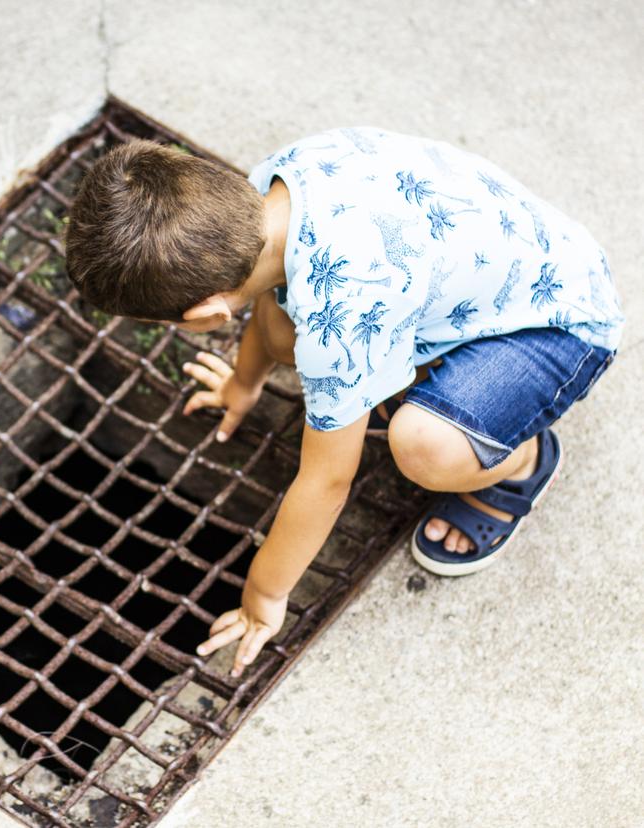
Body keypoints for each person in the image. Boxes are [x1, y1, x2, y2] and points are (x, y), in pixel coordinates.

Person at [63, 129, 624, 678]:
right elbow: (268, 302)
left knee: (422, 447)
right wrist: (244, 381)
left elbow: (327, 483)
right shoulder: (279, 181)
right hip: (518, 261)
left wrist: (264, 593)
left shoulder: (344, 318)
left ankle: (521, 464)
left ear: (207, 317)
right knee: (286, 334)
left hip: (560, 326)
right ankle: (424, 387)